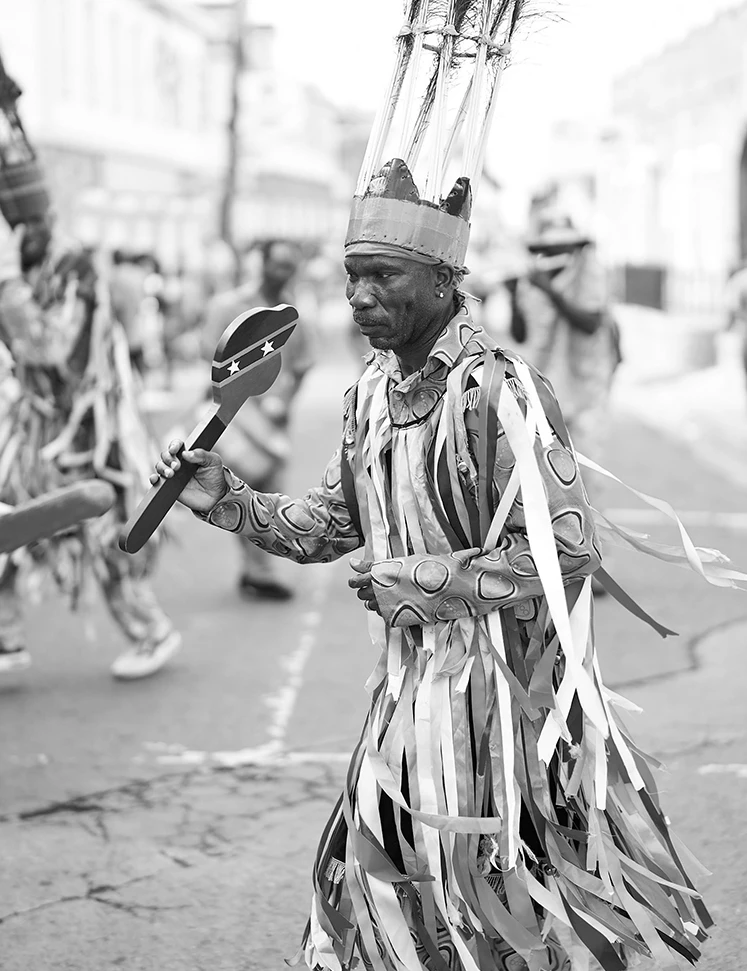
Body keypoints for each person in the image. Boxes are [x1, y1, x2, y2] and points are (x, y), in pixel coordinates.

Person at [150, 150, 721, 970]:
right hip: (407, 701)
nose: (358, 299)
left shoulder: (504, 391)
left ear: (444, 280)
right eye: (351, 278)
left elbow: (566, 549)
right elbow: (324, 525)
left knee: (513, 901)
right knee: (383, 888)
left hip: (509, 712)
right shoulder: (369, 395)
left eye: (381, 276)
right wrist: (227, 498)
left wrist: (421, 582)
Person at [0, 218, 181, 679]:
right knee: (10, 528)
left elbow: (50, 348)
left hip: (92, 442)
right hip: (38, 436)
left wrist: (9, 286)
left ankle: (151, 631)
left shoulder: (74, 276)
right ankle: (6, 635)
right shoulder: (37, 275)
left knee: (107, 540)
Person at [200, 238, 314, 601]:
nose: (284, 271)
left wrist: (285, 401)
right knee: (242, 485)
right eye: (278, 263)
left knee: (270, 494)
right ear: (261, 263)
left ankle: (255, 567)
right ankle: (259, 569)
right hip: (236, 417)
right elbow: (210, 358)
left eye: (290, 265)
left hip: (274, 423)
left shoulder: (294, 315)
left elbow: (302, 366)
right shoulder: (227, 306)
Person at [506, 215, 621, 490]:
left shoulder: (589, 276)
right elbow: (520, 334)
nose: (554, 254)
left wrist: (551, 292)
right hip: (543, 389)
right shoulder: (531, 280)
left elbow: (590, 323)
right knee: (545, 476)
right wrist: (513, 297)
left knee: (585, 474)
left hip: (584, 389)